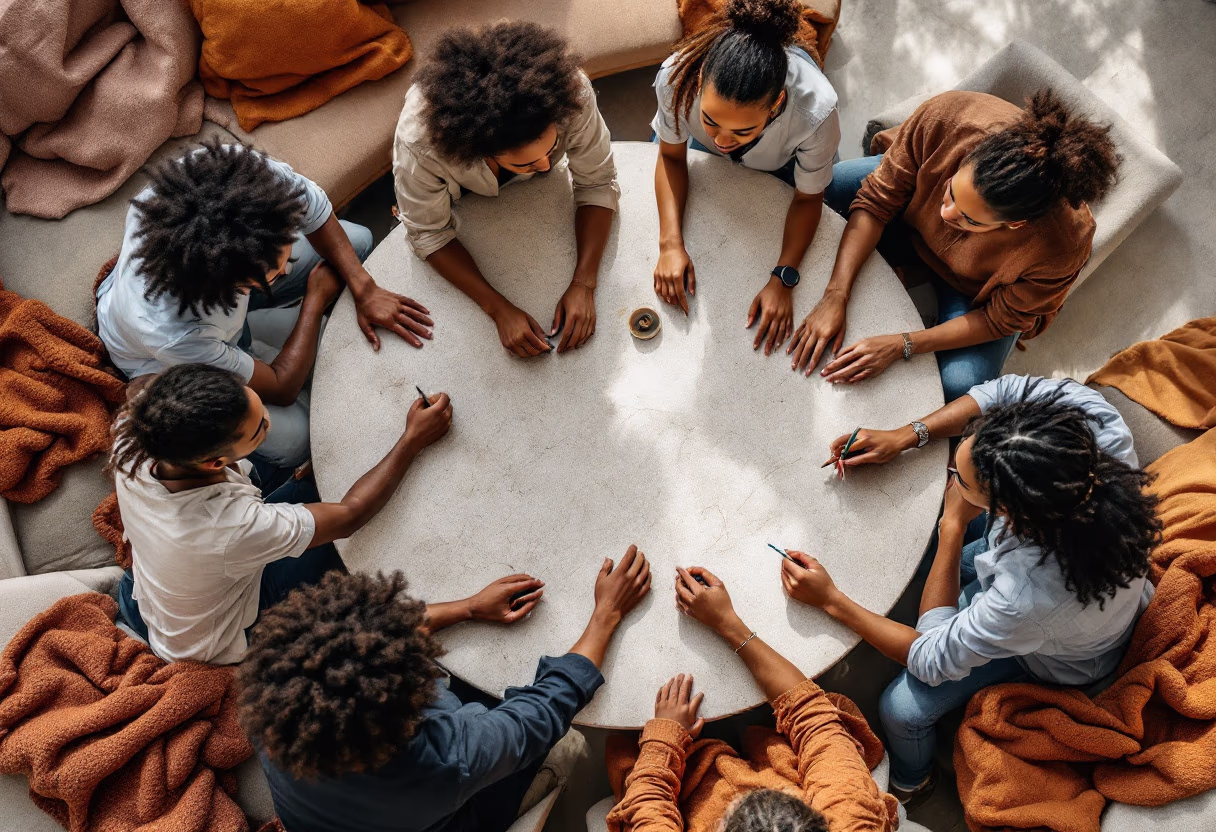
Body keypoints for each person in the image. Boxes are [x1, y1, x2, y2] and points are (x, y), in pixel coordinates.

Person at [785, 375, 1162, 803]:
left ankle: (913, 782)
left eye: (962, 482)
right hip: (1064, 590)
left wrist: (832, 599)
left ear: (1013, 514)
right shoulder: (1095, 424)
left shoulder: (1027, 597)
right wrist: (907, 435)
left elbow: (928, 655)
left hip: (1059, 656)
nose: (953, 481)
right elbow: (1005, 390)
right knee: (949, 566)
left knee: (900, 709)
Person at [238, 547, 653, 832]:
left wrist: (469, 607)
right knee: (536, 718)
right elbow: (546, 707)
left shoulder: (272, 696)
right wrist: (606, 614)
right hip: (448, 818)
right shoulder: (448, 761)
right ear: (403, 712)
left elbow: (359, 639)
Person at [97, 139, 434, 473]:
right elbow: (282, 387)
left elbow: (313, 208)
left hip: (216, 312)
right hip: (166, 358)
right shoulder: (172, 332)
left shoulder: (228, 175)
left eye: (284, 249)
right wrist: (314, 301)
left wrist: (365, 288)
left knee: (356, 243)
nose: (287, 267)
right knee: (297, 440)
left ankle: (258, 333)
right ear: (225, 284)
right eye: (274, 275)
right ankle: (253, 343)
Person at [109, 362, 454, 665]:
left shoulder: (135, 429)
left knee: (314, 490)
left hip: (152, 596)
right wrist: (412, 439)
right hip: (216, 639)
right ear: (214, 463)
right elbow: (351, 516)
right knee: (354, 563)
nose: (269, 422)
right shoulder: (229, 527)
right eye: (260, 428)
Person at [790, 90, 1121, 403]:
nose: (945, 213)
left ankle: (912, 270)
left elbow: (997, 319)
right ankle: (908, 260)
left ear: (1015, 224)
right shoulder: (949, 118)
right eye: (949, 191)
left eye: (970, 221)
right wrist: (836, 294)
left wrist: (901, 344)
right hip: (902, 214)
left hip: (972, 293)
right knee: (828, 187)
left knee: (961, 386)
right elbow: (878, 200)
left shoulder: (1063, 245)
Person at [605, 565, 898, 832]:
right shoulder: (853, 820)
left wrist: (664, 737)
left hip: (693, 787)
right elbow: (815, 720)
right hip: (778, 755)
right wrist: (728, 624)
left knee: (624, 748)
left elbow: (647, 805)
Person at [393, 21, 619, 357]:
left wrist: (584, 283)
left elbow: (598, 180)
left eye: (551, 149)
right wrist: (497, 309)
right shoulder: (419, 145)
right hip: (453, 194)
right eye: (527, 164)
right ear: (480, 152)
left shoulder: (570, 95)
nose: (545, 168)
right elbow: (429, 233)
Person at [651, 0, 840, 355]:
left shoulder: (817, 112)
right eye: (709, 120)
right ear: (701, 77)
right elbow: (671, 157)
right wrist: (670, 243)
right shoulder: (676, 75)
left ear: (776, 103)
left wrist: (783, 278)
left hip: (787, 161)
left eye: (742, 130)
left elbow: (808, 198)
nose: (721, 142)